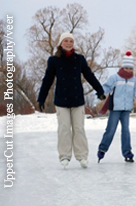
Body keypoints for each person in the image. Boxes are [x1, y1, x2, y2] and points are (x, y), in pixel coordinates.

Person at [37, 32, 105, 168]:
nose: (68, 43)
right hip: (62, 101)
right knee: (64, 129)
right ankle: (65, 156)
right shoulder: (54, 60)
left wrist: (99, 90)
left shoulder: (79, 59)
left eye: (71, 41)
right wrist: (41, 98)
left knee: (79, 128)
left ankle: (82, 156)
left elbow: (89, 75)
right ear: (61, 43)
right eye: (66, 41)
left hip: (77, 100)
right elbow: (47, 80)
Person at [97, 51, 136, 163]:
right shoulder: (115, 78)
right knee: (111, 130)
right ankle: (102, 149)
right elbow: (106, 87)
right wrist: (101, 93)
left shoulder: (134, 80)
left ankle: (127, 152)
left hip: (126, 109)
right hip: (115, 109)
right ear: (122, 67)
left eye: (130, 68)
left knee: (126, 130)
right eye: (126, 67)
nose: (128, 70)